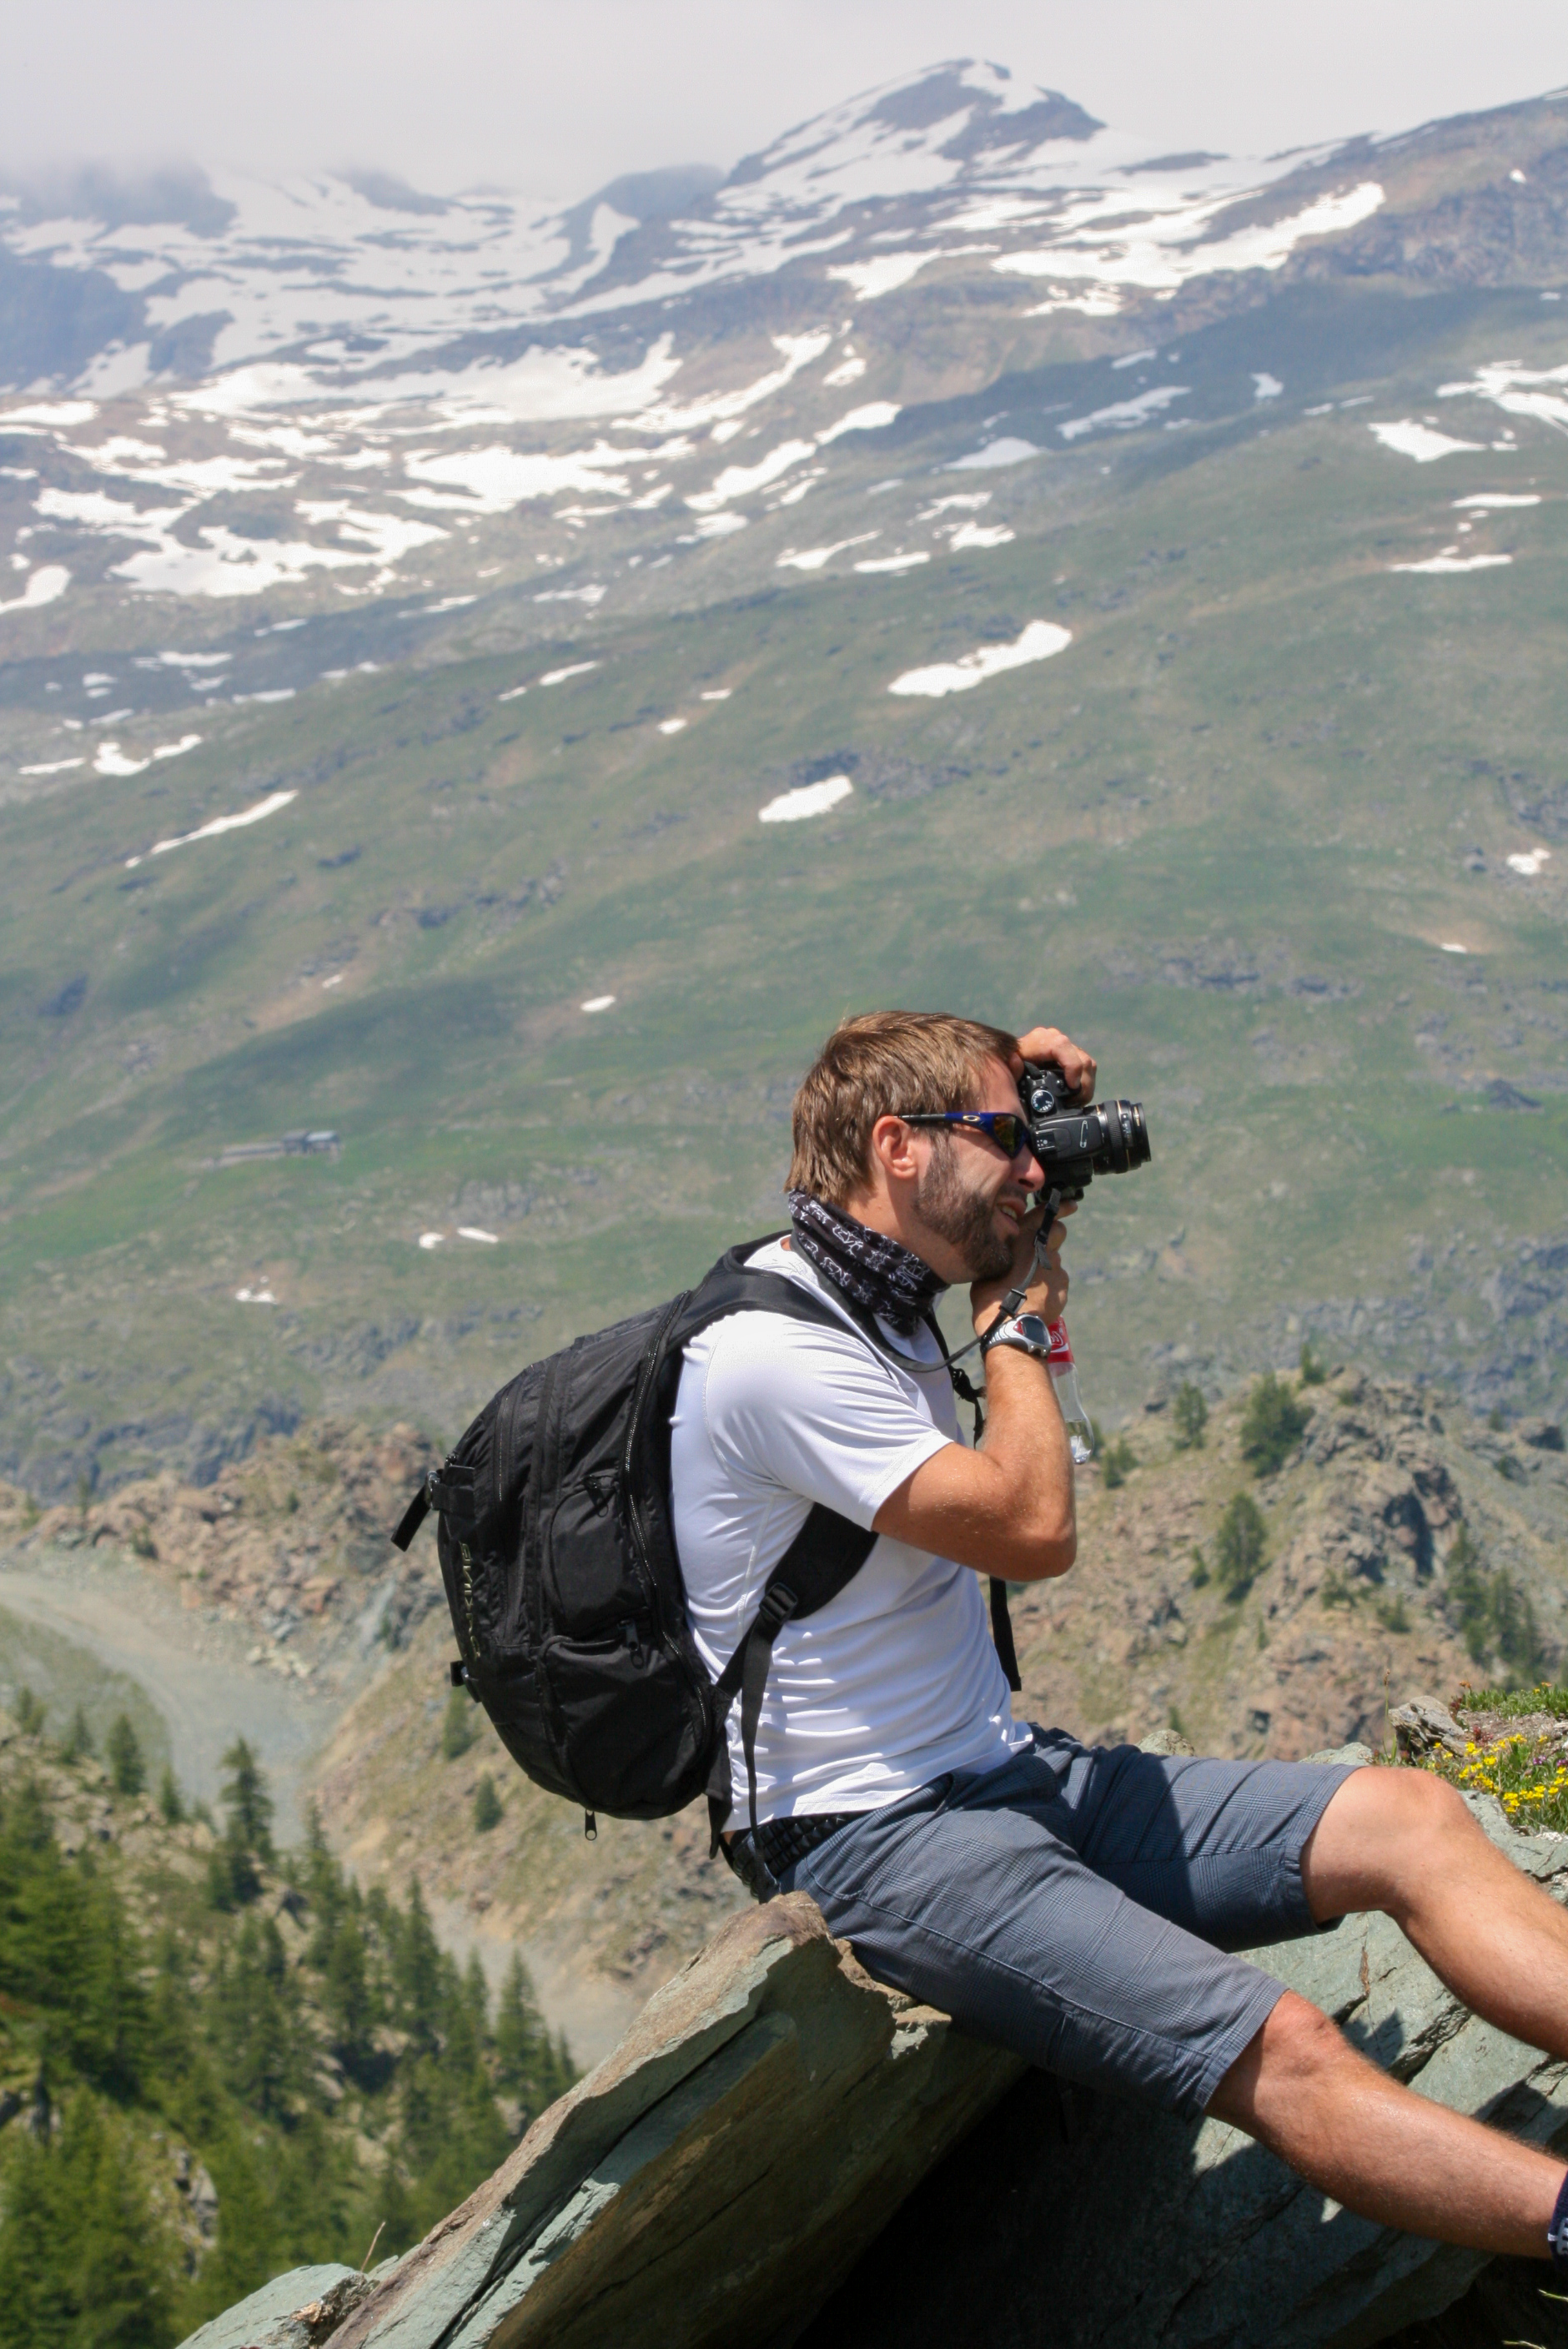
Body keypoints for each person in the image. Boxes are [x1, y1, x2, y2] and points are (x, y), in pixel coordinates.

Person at [670, 1008, 1568, 2271]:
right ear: (897, 1149)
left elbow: (887, 1057)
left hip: (1010, 1774)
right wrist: (1021, 1325)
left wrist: (1020, 1105)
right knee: (1283, 2045)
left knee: (1409, 1818)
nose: (1033, 1174)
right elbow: (1032, 1527)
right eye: (1005, 1142)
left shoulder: (882, 1288)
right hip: (876, 1837)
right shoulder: (770, 1353)